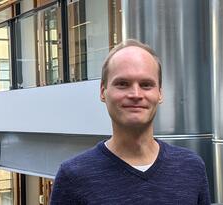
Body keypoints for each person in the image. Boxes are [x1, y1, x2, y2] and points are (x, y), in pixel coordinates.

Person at [50, 39, 211, 205]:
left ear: (160, 93)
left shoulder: (191, 167)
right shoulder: (73, 177)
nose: (135, 94)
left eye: (146, 85)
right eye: (122, 84)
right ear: (103, 92)